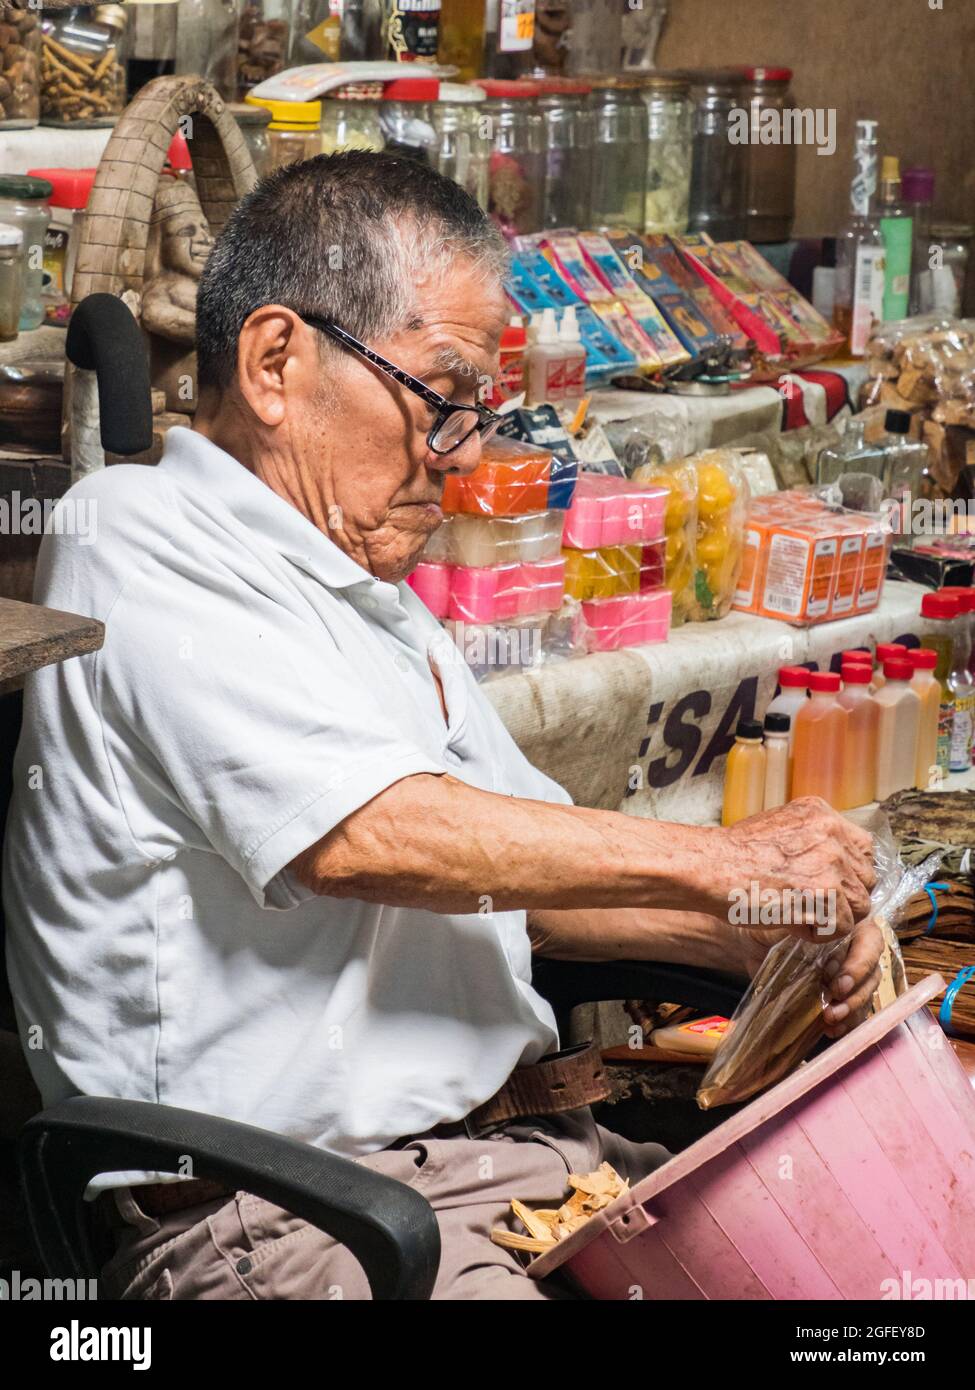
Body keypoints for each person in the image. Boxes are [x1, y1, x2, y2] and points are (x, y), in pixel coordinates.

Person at [3, 152, 878, 1301]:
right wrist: (725, 861)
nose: (462, 456)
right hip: (290, 1215)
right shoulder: (136, 534)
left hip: (511, 1164)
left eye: (481, 412)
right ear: (276, 361)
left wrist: (756, 932)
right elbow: (366, 837)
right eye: (443, 395)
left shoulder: (364, 589)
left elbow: (535, 871)